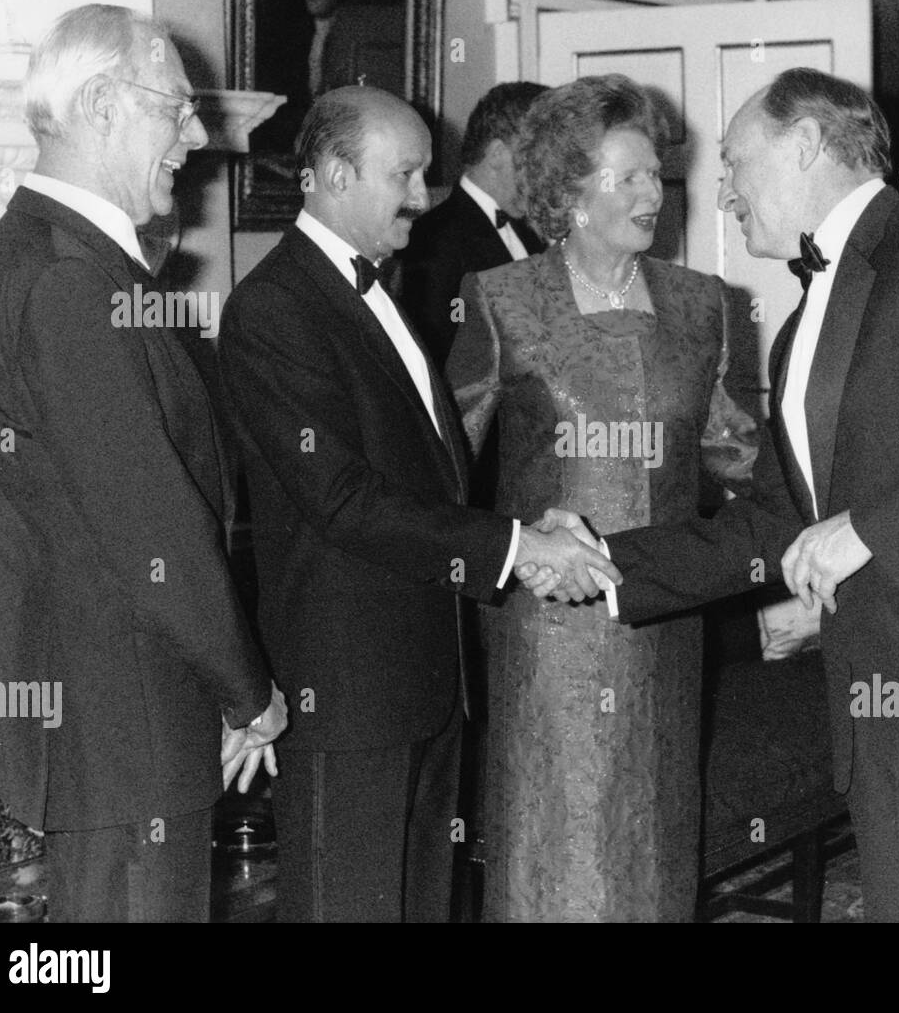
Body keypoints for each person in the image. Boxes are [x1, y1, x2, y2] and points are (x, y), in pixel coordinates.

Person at [526, 67, 899, 922]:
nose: (719, 193)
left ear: (804, 145)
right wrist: (604, 563)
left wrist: (865, 531)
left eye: (732, 163)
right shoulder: (802, 323)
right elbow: (776, 520)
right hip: (885, 718)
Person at [217, 85, 620, 923]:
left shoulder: (379, 291)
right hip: (349, 695)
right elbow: (342, 501)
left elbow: (427, 476)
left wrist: (524, 526)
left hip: (428, 682)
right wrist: (513, 548)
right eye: (403, 174)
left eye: (425, 174)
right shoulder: (271, 309)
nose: (422, 196)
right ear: (332, 174)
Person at [0, 4, 286, 922]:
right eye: (176, 107)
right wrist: (248, 691)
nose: (196, 134)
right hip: (125, 718)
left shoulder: (51, 255)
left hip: (112, 714)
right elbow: (152, 522)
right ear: (103, 103)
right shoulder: (71, 277)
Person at [447, 74, 758, 922]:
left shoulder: (704, 306)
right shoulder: (502, 300)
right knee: (554, 860)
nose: (652, 194)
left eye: (655, 175)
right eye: (626, 177)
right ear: (570, 193)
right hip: (544, 635)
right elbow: (443, 470)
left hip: (663, 627)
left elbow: (742, 463)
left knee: (650, 857)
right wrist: (516, 540)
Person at [400, 81, 549, 369]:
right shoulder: (432, 239)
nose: (547, 174)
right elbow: (435, 361)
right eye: (539, 159)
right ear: (497, 155)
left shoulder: (528, 233)